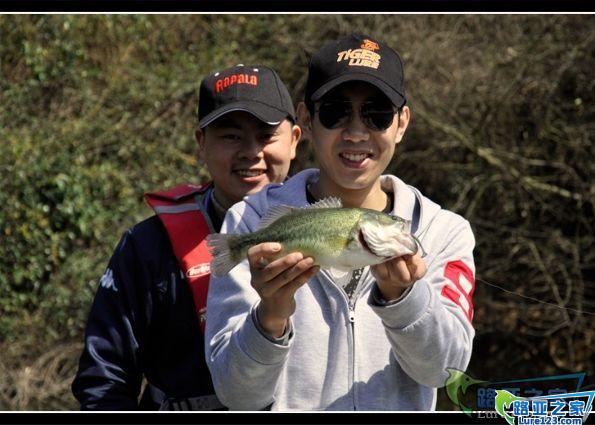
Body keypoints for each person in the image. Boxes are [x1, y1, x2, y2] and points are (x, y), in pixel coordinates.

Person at [205, 34, 476, 411]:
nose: (356, 132)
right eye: (335, 112)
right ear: (306, 120)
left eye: (377, 114)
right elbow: (237, 396)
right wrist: (270, 317)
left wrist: (404, 300)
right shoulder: (249, 221)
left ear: (401, 123)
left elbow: (445, 372)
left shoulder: (443, 230)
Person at [71, 64, 301, 410]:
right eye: (231, 136)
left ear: (295, 140)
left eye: (266, 136)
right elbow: (104, 380)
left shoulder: (333, 227)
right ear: (201, 143)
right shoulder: (147, 247)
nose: (251, 152)